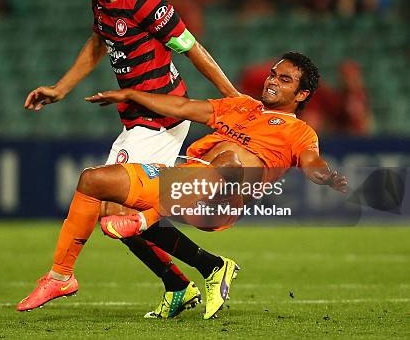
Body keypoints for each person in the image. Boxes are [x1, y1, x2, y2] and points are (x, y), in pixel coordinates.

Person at [17, 52, 348, 320]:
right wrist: (132, 94)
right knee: (94, 182)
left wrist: (326, 175)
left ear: (302, 95)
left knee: (231, 161)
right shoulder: (241, 106)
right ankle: (66, 276)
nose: (273, 81)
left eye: (284, 79)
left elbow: (311, 161)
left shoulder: (300, 132)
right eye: (273, 74)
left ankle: (145, 218)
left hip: (222, 201)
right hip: (184, 182)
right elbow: (183, 107)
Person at [23, 0, 239, 318]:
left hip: (162, 116)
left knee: (105, 197)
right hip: (138, 119)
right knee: (110, 214)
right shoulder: (102, 2)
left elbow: (192, 49)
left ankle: (63, 274)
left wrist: (234, 98)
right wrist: (61, 88)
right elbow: (98, 42)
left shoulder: (146, 1)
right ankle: (182, 283)